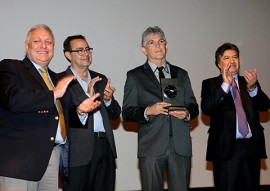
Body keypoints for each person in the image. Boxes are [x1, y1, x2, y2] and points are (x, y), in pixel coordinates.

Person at [0, 24, 76, 191]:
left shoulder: (58, 78)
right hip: (18, 162)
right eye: (37, 41)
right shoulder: (11, 67)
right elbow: (14, 99)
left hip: (52, 157)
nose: (43, 46)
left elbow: (65, 116)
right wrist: (52, 94)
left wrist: (82, 110)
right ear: (27, 46)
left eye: (48, 42)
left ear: (53, 48)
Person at [122, 26, 199, 191]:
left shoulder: (181, 74)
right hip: (151, 146)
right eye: (151, 43)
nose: (157, 46)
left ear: (167, 45)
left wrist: (187, 113)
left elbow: (193, 105)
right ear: (144, 50)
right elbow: (127, 112)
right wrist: (148, 111)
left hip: (180, 145)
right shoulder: (135, 76)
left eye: (161, 41)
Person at [201, 43, 270, 191]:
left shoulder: (248, 82)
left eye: (235, 57)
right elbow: (206, 108)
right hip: (225, 151)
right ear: (219, 64)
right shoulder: (210, 84)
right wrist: (225, 86)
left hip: (251, 149)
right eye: (227, 58)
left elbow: (265, 106)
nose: (232, 61)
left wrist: (253, 89)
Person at [61, 35, 121, 191]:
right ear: (68, 55)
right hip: (78, 152)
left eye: (88, 49)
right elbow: (66, 119)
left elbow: (115, 115)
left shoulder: (100, 79)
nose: (85, 53)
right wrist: (87, 97)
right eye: (79, 50)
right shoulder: (61, 81)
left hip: (105, 146)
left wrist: (108, 101)